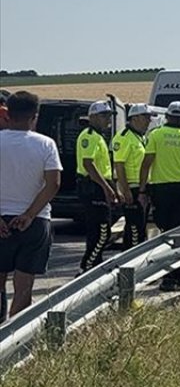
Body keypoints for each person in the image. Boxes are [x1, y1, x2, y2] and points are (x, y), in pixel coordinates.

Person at [0, 91, 62, 320]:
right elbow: (53, 183)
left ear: (8, 114)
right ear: (34, 117)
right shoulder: (46, 144)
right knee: (24, 285)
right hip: (35, 222)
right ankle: (14, 337)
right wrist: (28, 215)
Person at [138, 101, 180, 291]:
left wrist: (142, 191)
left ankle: (167, 276)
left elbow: (146, 165)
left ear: (167, 116)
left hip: (160, 189)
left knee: (164, 232)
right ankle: (178, 276)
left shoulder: (156, 135)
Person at [76, 101, 121, 272]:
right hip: (93, 187)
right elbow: (88, 164)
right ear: (92, 117)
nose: (108, 120)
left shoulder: (99, 136)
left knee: (98, 232)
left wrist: (113, 188)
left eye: (109, 116)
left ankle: (94, 266)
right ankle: (87, 267)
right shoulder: (89, 136)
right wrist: (106, 188)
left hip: (100, 185)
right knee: (103, 232)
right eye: (104, 116)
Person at [112, 104, 152, 248]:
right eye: (145, 117)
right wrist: (126, 190)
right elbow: (119, 165)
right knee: (135, 230)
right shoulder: (124, 138)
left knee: (140, 228)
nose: (149, 121)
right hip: (132, 188)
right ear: (134, 118)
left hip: (142, 188)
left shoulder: (141, 137)